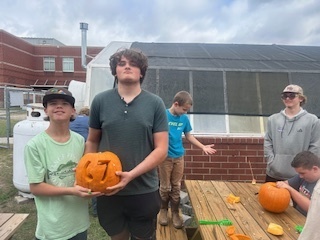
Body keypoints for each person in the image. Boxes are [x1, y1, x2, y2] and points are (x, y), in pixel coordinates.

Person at [85, 48, 168, 240]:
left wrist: (130, 175)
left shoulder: (155, 103)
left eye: (133, 64)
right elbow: (92, 140)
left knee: (143, 237)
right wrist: (86, 166)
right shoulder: (100, 101)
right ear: (115, 71)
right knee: (118, 237)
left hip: (144, 189)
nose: (127, 67)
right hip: (107, 190)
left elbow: (161, 149)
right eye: (121, 64)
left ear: (141, 72)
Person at [24, 87, 100, 240]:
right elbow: (36, 187)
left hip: (79, 223)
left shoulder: (79, 141)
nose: (59, 106)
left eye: (65, 103)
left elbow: (85, 175)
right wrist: (71, 191)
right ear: (46, 110)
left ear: (73, 111)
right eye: (53, 103)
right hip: (53, 227)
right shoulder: (35, 145)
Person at [158, 91, 217, 229]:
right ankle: (163, 210)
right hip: (165, 158)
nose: (185, 112)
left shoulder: (184, 119)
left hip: (179, 157)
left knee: (177, 185)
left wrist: (202, 146)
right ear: (176, 104)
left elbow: (189, 136)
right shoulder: (163, 115)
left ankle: (175, 212)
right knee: (165, 186)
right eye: (184, 109)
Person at [264, 84, 320, 182]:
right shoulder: (273, 119)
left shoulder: (312, 120)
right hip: (274, 174)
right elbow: (268, 142)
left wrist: (304, 167)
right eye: (284, 95)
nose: (288, 98)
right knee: (269, 196)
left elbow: (315, 146)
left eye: (292, 95)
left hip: (299, 177)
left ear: (301, 98)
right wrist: (272, 162)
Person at [69, 106, 97, 217]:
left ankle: (72, 198)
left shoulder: (73, 119)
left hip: (72, 147)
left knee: (74, 172)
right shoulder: (90, 120)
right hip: (85, 147)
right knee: (93, 176)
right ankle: (95, 209)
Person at [276, 151, 320, 216]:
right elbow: (284, 184)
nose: (300, 176)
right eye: (299, 173)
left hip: (310, 222)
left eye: (302, 173)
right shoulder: (302, 177)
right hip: (296, 215)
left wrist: (290, 189)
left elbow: (312, 208)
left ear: (315, 169)